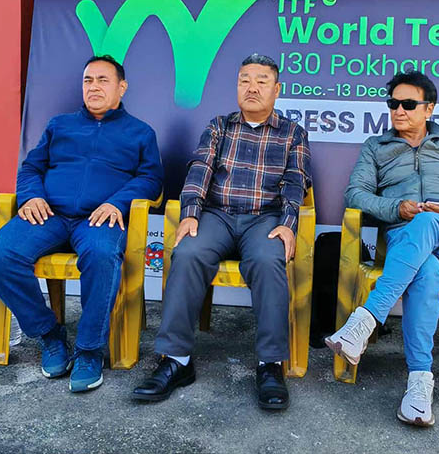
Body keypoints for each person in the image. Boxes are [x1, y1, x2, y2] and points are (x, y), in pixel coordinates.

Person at [132, 54, 311, 410]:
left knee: (268, 260)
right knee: (187, 252)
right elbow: (199, 169)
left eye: (261, 81)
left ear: (277, 89)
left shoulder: (293, 133)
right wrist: (190, 214)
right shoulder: (219, 126)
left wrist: (288, 225)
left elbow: (296, 183)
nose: (252, 88)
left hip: (265, 218)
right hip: (217, 215)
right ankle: (176, 360)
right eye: (245, 80)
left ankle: (270, 364)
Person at [0, 55, 163, 393]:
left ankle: (89, 351)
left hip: (100, 218)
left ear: (122, 87)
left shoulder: (140, 132)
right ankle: (49, 335)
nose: (94, 87)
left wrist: (117, 202)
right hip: (48, 214)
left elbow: (151, 179)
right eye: (88, 80)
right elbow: (31, 168)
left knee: (101, 255)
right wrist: (31, 196)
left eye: (103, 80)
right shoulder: (60, 125)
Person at [324, 70, 439, 427]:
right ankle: (419, 382)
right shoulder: (377, 146)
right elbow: (355, 194)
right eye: (393, 103)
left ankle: (364, 321)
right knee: (426, 272)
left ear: (429, 108)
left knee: (428, 223)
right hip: (403, 237)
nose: (399, 110)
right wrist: (395, 208)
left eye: (408, 104)